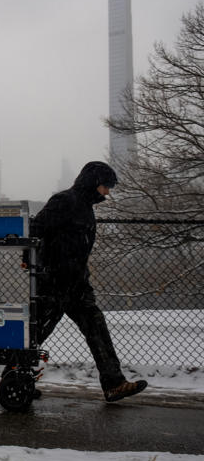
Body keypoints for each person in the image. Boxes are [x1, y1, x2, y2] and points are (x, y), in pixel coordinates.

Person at [30, 161, 147, 402]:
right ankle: (17, 378)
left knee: (95, 327)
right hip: (55, 282)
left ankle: (114, 384)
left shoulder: (84, 206)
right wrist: (45, 266)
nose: (107, 192)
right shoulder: (64, 201)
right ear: (94, 183)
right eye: (106, 186)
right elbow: (36, 230)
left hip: (77, 284)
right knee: (36, 333)